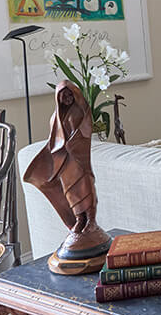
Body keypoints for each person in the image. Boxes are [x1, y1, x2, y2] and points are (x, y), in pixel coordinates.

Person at [24, 80, 110, 258]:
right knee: (71, 193)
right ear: (59, 98)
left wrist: (73, 143)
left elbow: (85, 132)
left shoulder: (81, 112)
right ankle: (80, 220)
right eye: (64, 96)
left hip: (80, 161)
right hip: (64, 163)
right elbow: (53, 141)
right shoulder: (56, 118)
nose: (68, 98)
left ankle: (91, 221)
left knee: (86, 189)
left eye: (70, 94)